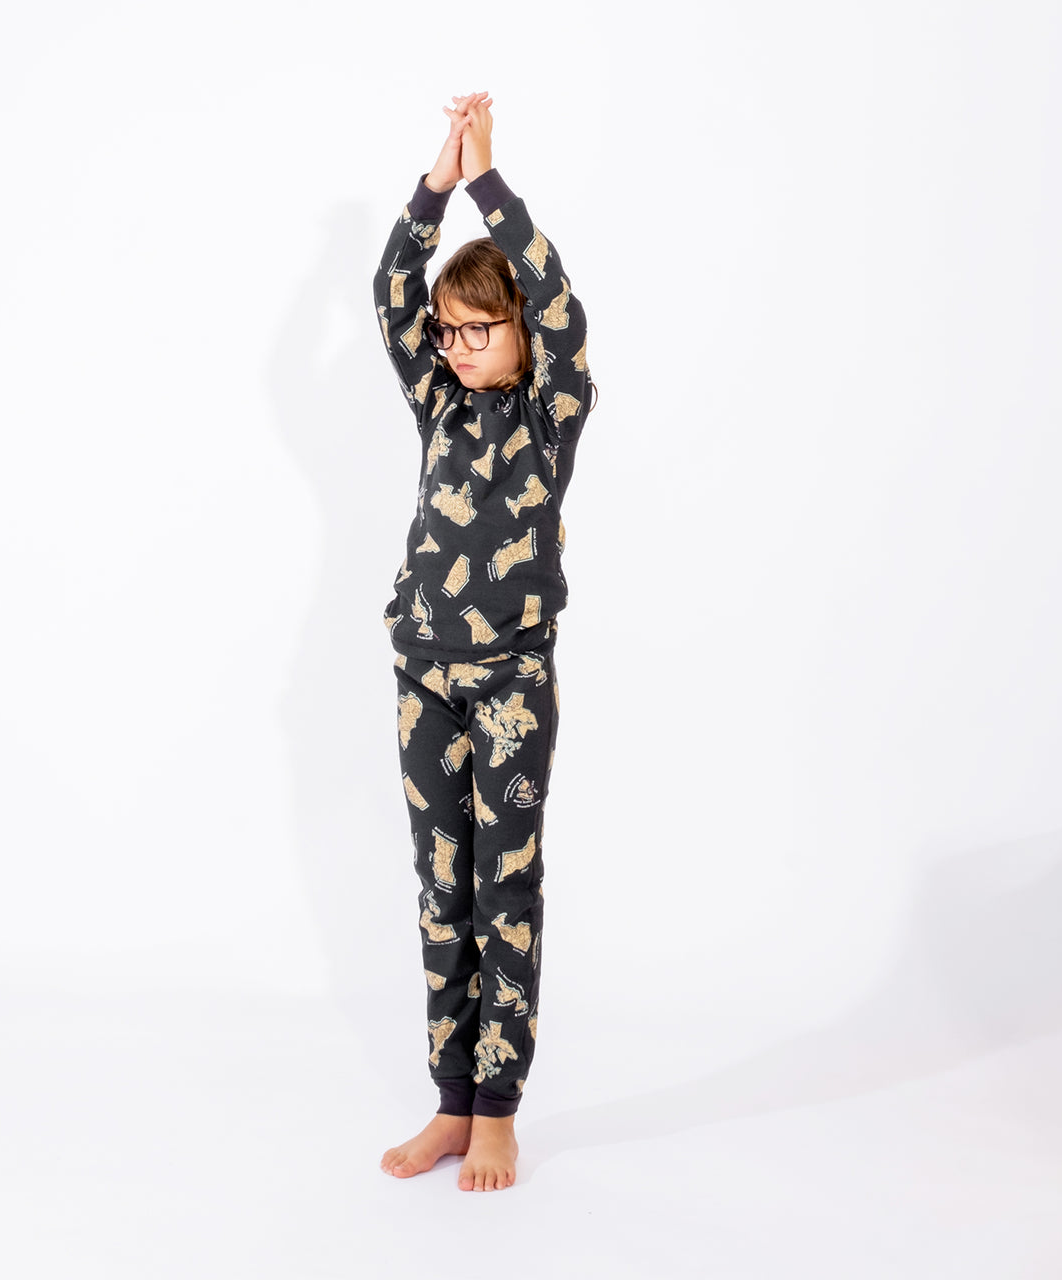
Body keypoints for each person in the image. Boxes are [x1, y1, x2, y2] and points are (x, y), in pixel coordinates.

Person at [373, 92, 592, 1191]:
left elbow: (554, 298)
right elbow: (389, 292)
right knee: (441, 891)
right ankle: (450, 1100)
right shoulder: (439, 404)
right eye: (448, 330)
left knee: (505, 891)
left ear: (517, 330)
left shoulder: (551, 413)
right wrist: (433, 185)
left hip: (509, 683)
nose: (458, 348)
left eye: (480, 329)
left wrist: (487, 182)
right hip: (424, 673)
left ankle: (499, 1107)